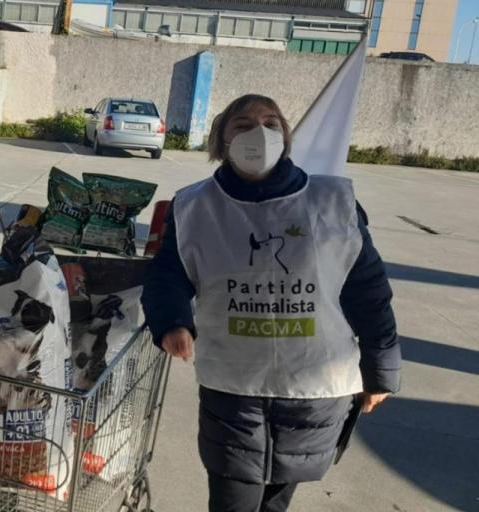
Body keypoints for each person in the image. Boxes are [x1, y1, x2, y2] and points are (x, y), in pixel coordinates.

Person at [140, 94, 400, 512]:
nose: (258, 132)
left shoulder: (332, 203)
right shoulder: (195, 206)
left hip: (313, 387)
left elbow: (367, 291)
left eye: (270, 122)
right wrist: (172, 322)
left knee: (276, 502)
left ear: (286, 136)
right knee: (232, 500)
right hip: (234, 385)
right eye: (242, 124)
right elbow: (167, 274)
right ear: (221, 140)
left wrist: (381, 371)